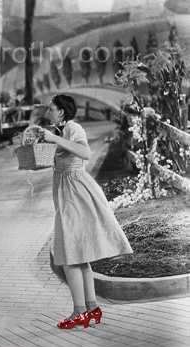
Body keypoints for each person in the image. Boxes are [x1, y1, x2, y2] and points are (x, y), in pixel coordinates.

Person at [40, 94, 133, 329]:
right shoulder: (61, 130)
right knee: (78, 255)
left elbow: (85, 153)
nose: (47, 112)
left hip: (76, 193)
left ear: (61, 112)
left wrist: (54, 139)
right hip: (67, 192)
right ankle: (92, 309)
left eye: (51, 109)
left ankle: (79, 312)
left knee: (69, 255)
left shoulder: (72, 127)